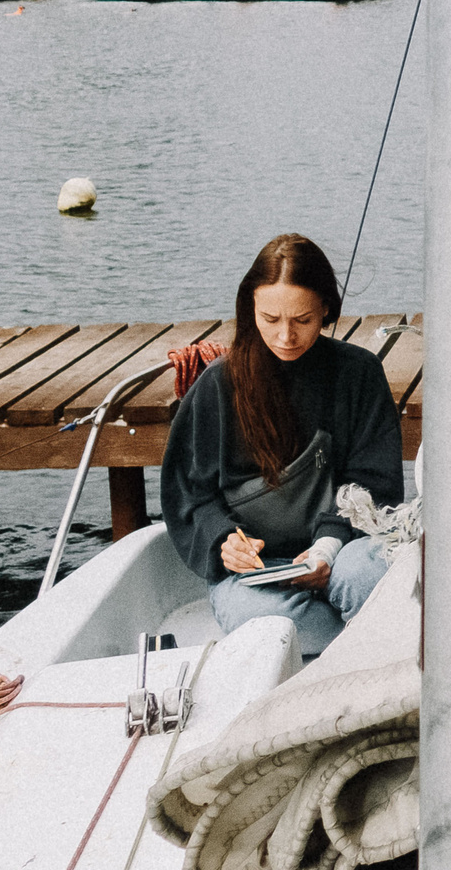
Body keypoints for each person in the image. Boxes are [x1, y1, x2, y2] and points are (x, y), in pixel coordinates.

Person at [162, 234, 402, 655]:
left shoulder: (359, 373)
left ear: (326, 308)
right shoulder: (217, 384)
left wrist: (328, 547)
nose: (286, 336)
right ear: (249, 308)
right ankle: (363, 638)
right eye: (270, 318)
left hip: (345, 550)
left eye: (302, 320)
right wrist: (224, 541)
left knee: (368, 575)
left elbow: (374, 480)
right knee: (261, 618)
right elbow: (190, 494)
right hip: (256, 572)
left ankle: (343, 633)